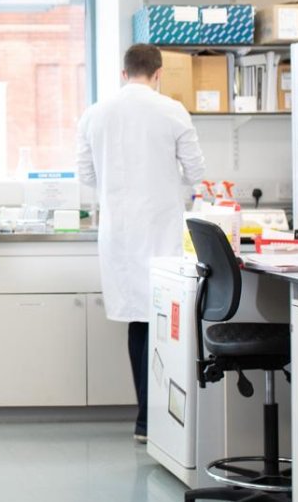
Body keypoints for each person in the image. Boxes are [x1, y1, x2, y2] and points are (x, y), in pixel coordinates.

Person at [76, 44, 205, 443]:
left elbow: (85, 174)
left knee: (138, 322)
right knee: (169, 322)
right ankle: (169, 422)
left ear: (123, 72)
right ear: (159, 72)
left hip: (119, 233)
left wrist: (117, 194)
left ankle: (144, 421)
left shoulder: (96, 113)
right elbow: (198, 173)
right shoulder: (172, 110)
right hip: (163, 231)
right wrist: (170, 189)